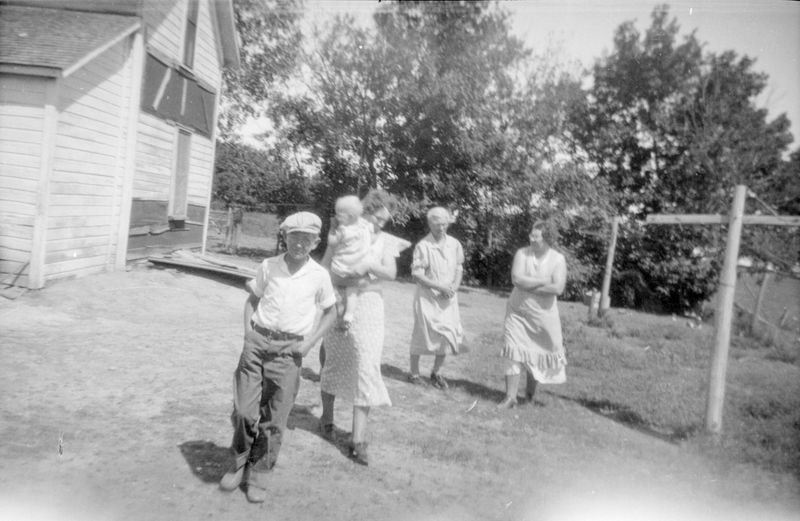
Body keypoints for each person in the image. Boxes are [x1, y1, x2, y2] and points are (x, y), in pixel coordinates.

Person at [219, 211, 337, 503]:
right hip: (258, 343)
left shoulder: (319, 276)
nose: (299, 243)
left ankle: (260, 472)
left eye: (306, 238)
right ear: (284, 236)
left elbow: (332, 312)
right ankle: (238, 463)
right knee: (245, 412)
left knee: (274, 418)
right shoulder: (268, 266)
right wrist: (249, 333)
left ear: (315, 242)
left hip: (290, 350)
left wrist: (308, 343)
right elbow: (252, 300)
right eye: (294, 236)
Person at [318, 189, 408, 466]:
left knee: (367, 366)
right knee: (332, 360)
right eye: (377, 218)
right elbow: (324, 268)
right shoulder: (345, 232)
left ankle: (357, 439)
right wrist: (343, 279)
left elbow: (391, 273)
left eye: (385, 220)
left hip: (369, 306)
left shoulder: (386, 241)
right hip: (340, 300)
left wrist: (368, 264)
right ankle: (327, 418)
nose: (380, 224)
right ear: (363, 213)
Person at [498, 219, 567, 409]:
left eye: (536, 236)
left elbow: (558, 287)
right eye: (531, 234)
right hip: (517, 312)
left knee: (535, 355)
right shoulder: (522, 253)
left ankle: (529, 397)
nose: (531, 238)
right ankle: (510, 397)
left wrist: (530, 285)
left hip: (542, 317)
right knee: (512, 349)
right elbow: (516, 279)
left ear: (547, 239)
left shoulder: (557, 259)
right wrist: (543, 281)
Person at [408, 207, 465, 390]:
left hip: (448, 298)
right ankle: (414, 373)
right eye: (437, 224)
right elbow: (417, 274)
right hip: (428, 298)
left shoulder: (454, 244)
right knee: (421, 334)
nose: (441, 228)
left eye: (444, 224)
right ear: (430, 224)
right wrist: (439, 287)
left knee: (447, 335)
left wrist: (454, 287)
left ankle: (436, 372)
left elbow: (459, 267)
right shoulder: (423, 246)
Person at [327, 195, 375, 329]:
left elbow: (331, 243)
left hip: (340, 268)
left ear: (351, 216)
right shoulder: (366, 226)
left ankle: (339, 304)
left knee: (330, 285)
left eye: (339, 214)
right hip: (357, 270)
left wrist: (332, 229)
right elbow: (373, 238)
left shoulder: (343, 230)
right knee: (352, 292)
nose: (337, 217)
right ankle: (349, 314)